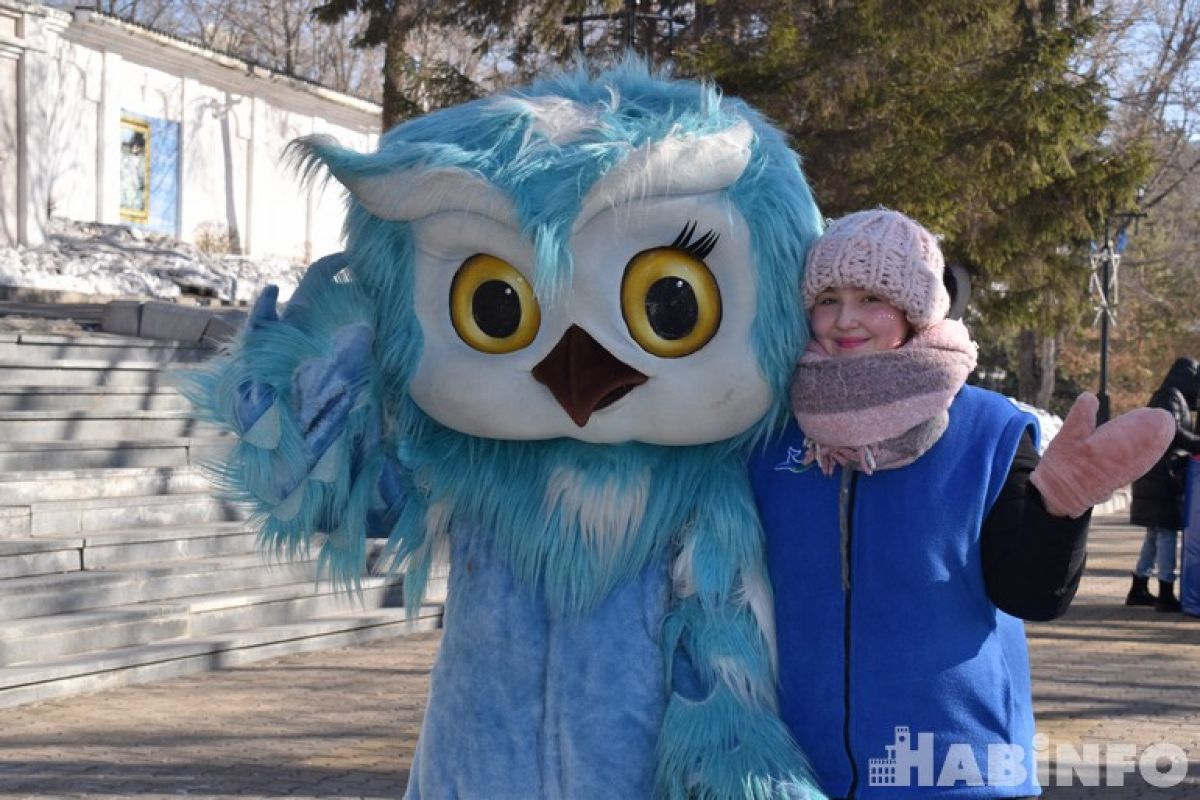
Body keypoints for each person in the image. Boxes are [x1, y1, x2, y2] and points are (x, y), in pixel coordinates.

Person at [749, 209, 1173, 799]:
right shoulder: (773, 436)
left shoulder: (989, 430)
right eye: (826, 298)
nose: (844, 319)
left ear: (915, 308)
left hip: (955, 769)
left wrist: (1059, 509)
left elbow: (1030, 596)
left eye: (872, 297)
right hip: (798, 771)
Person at [1126, 356, 1200, 612]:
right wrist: (1196, 445)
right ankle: (1165, 592)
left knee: (1155, 534)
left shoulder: (1168, 395)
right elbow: (1173, 432)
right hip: (1162, 477)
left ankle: (1139, 586)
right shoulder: (1170, 397)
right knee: (1166, 533)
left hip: (1154, 474)